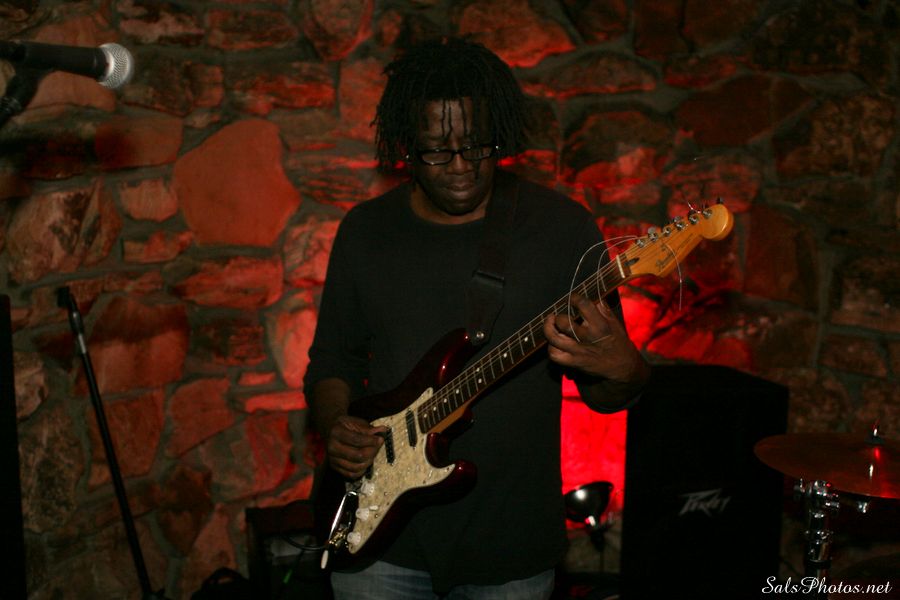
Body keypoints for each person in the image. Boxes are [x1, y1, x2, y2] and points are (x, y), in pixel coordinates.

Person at [303, 37, 650, 600]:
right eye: (437, 152)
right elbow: (331, 362)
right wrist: (336, 426)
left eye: (476, 146)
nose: (462, 166)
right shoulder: (366, 232)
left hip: (509, 547)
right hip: (378, 543)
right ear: (406, 149)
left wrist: (625, 367)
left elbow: (609, 395)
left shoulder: (562, 230)